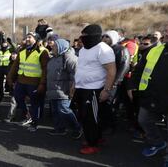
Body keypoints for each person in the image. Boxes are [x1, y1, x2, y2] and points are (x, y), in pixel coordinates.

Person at [131, 21, 168, 167]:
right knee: (143, 120)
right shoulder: (155, 50)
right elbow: (139, 70)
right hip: (152, 97)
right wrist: (132, 86)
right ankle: (158, 142)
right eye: (165, 30)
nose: (166, 34)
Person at [72, 24, 116, 154]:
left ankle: (93, 144)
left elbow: (111, 71)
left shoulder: (103, 49)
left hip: (94, 89)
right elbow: (81, 68)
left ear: (94, 36)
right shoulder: (83, 50)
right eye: (82, 35)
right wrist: (74, 85)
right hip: (81, 88)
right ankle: (95, 137)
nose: (82, 38)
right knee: (84, 116)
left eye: (85, 36)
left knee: (91, 118)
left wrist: (106, 90)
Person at [7, 32, 50, 132]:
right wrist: (10, 78)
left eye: (30, 37)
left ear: (36, 39)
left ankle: (35, 123)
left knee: (35, 103)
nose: (27, 39)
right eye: (26, 37)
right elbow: (14, 67)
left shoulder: (43, 51)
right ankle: (28, 115)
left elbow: (45, 69)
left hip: (34, 82)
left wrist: (42, 84)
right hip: (21, 81)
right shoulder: (21, 51)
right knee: (18, 98)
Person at [45, 38, 82, 139]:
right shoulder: (53, 58)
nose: (53, 47)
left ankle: (77, 128)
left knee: (64, 110)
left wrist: (72, 89)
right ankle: (59, 129)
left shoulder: (70, 58)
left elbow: (76, 75)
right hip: (53, 90)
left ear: (61, 47)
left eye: (55, 46)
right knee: (56, 110)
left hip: (64, 90)